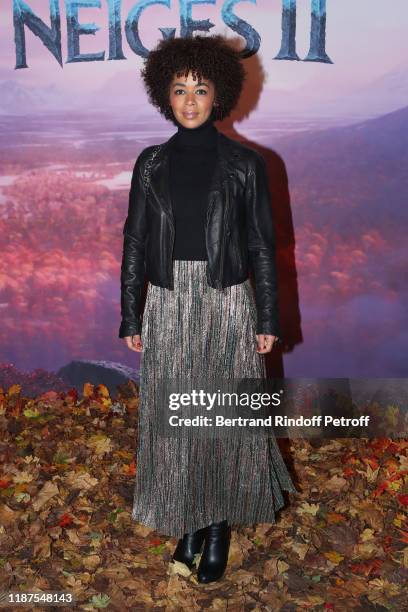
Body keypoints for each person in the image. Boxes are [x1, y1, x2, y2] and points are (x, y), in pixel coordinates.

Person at [119, 34, 297, 583]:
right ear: (164, 96)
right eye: (179, 89)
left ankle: (216, 524)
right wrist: (132, 313)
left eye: (200, 88)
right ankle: (188, 518)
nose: (190, 100)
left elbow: (264, 246)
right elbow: (132, 241)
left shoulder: (247, 165)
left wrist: (267, 319)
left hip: (227, 303)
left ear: (219, 95)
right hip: (170, 304)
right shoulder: (149, 164)